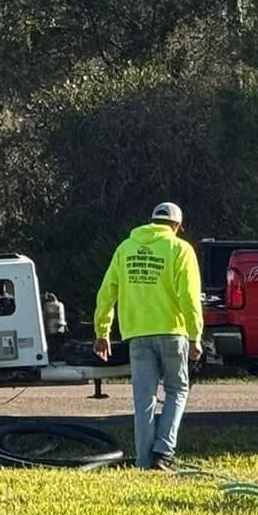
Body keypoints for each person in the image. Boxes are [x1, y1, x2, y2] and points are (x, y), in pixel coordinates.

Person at [92, 201, 204, 470]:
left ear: (151, 220)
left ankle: (144, 461)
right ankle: (163, 451)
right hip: (172, 331)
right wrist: (195, 336)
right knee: (177, 389)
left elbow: (107, 292)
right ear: (176, 225)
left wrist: (102, 332)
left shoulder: (126, 248)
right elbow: (189, 297)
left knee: (144, 398)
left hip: (137, 334)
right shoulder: (179, 248)